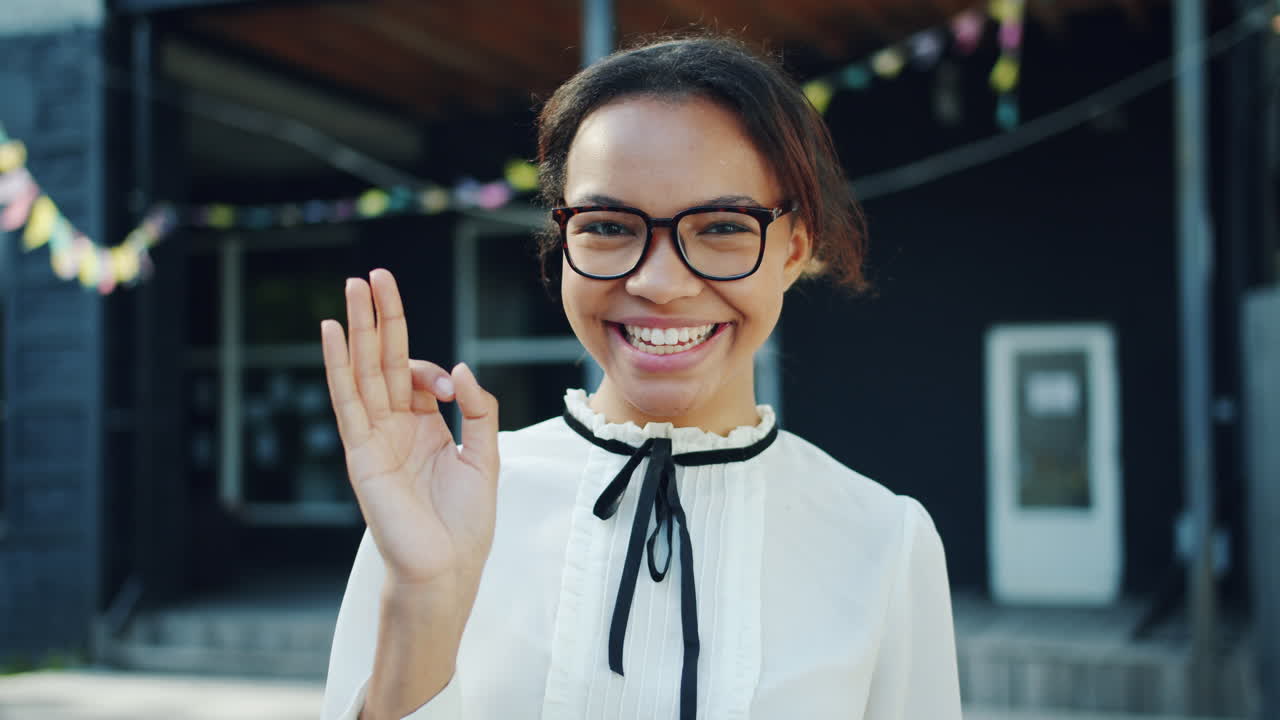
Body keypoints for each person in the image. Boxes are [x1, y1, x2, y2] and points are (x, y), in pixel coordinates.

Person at [319, 34, 961, 720]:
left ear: (793, 248)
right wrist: (426, 599)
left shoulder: (883, 541)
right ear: (561, 243)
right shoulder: (442, 503)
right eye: (608, 226)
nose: (658, 283)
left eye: (721, 227)